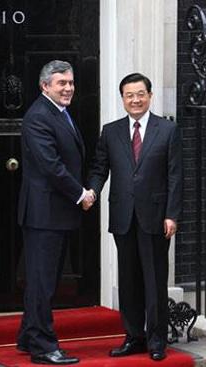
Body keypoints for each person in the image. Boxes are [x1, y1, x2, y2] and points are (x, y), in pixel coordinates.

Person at [84, 73, 182, 361]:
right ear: (123, 98)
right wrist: (92, 191)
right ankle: (134, 337)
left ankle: (156, 341)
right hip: (123, 216)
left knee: (154, 281)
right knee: (128, 281)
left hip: (156, 217)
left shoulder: (167, 130)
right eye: (129, 95)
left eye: (140, 94)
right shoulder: (110, 131)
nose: (135, 100)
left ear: (150, 96)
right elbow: (100, 168)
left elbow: (176, 176)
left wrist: (172, 215)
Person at [17, 60, 94, 365]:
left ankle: (27, 336)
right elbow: (51, 166)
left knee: (42, 280)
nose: (68, 88)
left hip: (54, 214)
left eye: (71, 82)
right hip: (44, 215)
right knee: (43, 282)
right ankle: (43, 346)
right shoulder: (38, 116)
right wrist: (81, 194)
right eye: (61, 83)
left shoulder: (58, 112)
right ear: (44, 86)